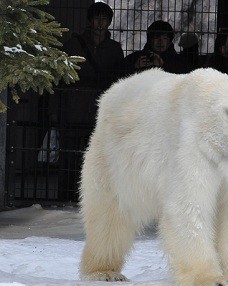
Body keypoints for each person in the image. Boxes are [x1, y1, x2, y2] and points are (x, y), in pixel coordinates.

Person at [51, 2, 124, 201]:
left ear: (109, 22)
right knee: (69, 154)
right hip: (74, 106)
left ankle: (93, 198)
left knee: (96, 156)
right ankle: (66, 196)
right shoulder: (74, 44)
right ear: (90, 21)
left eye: (104, 19)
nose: (100, 23)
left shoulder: (114, 49)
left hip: (98, 109)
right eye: (97, 19)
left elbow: (118, 78)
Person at [121, 20, 191, 75]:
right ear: (150, 40)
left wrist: (164, 65)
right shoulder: (136, 58)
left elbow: (185, 79)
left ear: (169, 41)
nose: (160, 41)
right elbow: (118, 76)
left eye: (165, 38)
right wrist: (134, 67)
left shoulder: (178, 61)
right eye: (156, 37)